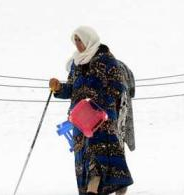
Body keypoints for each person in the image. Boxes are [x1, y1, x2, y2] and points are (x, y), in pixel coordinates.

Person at [49, 26, 133, 195]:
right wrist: (58, 88)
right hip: (81, 122)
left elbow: (117, 88)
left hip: (103, 121)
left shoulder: (107, 60)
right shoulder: (76, 64)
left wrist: (96, 104)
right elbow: (71, 89)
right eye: (76, 41)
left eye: (80, 40)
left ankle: (113, 191)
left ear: (89, 39)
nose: (78, 44)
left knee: (101, 162)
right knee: (88, 165)